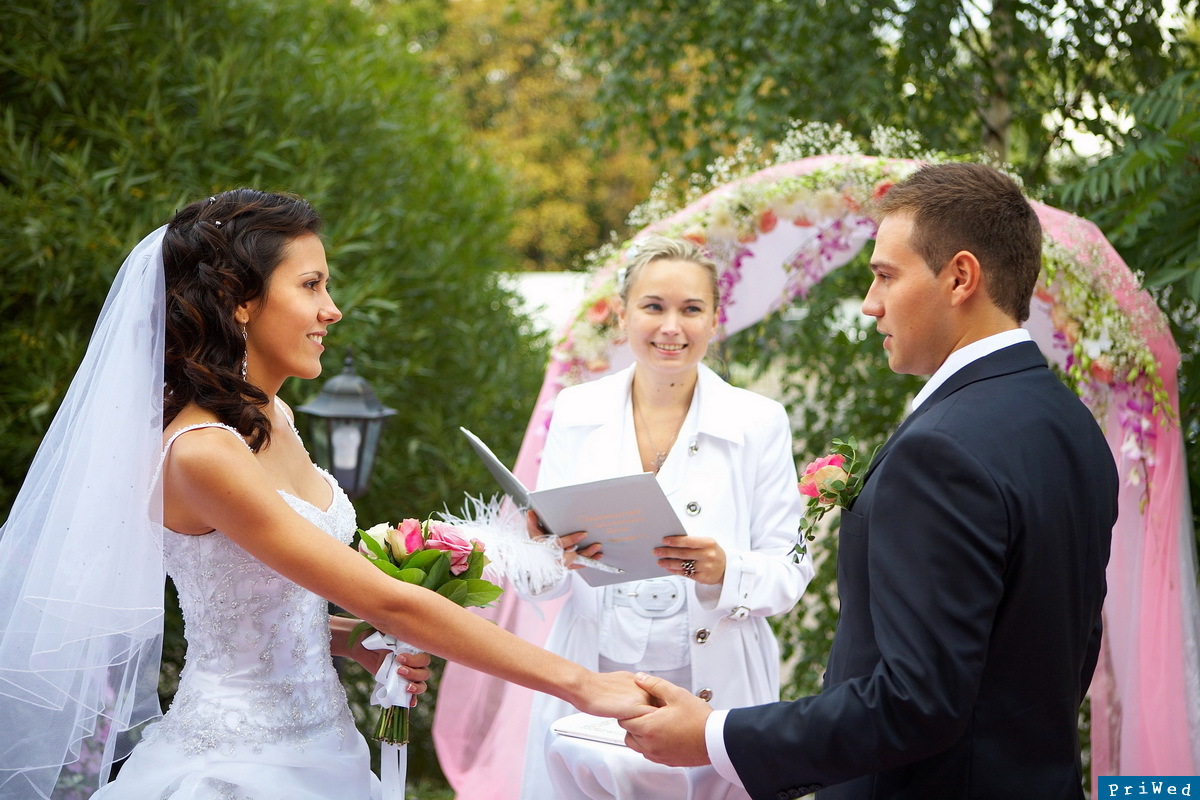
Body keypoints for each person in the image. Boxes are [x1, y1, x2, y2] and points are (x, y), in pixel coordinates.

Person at [0, 189, 648, 800]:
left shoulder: (274, 417)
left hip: (326, 747)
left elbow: (263, 603)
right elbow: (390, 601)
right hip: (238, 767)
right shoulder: (202, 454)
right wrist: (584, 686)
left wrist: (346, 641)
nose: (331, 308)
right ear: (240, 300)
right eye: (311, 285)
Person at [619, 163, 1118, 799]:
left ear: (960, 277)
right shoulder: (1072, 424)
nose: (869, 302)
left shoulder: (943, 449)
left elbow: (915, 700)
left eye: (885, 274)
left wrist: (715, 736)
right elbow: (1068, 653)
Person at [517, 236, 815, 800]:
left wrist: (727, 570)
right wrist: (549, 553)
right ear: (624, 313)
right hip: (592, 694)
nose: (671, 327)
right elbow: (537, 575)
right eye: (654, 307)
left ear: (714, 319)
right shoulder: (576, 413)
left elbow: (790, 572)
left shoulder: (759, 422)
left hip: (717, 696)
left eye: (691, 309)